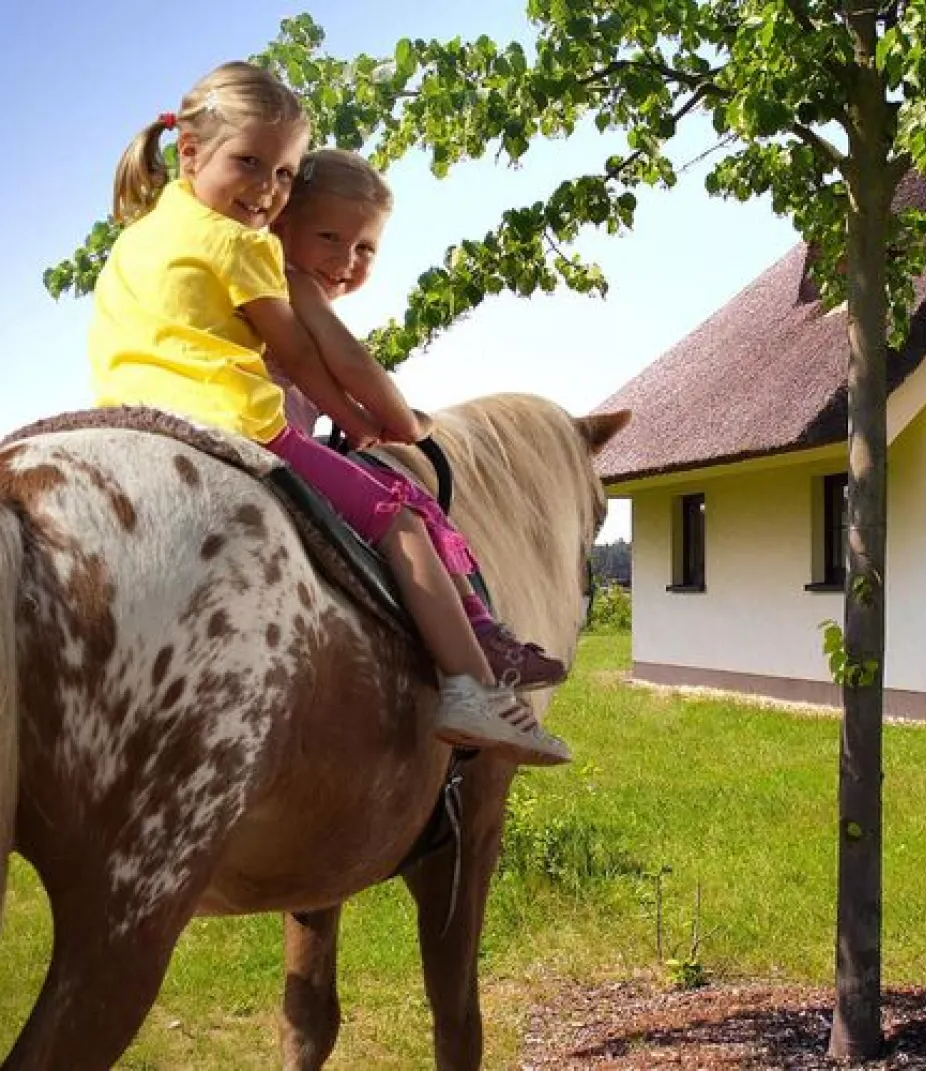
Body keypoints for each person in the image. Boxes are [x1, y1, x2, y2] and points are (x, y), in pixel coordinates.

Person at [87, 61, 569, 766]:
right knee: (400, 515)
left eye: (281, 176)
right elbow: (311, 362)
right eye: (250, 163)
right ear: (189, 151)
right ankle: (471, 684)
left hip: (124, 420)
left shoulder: (143, 230)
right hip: (231, 421)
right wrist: (386, 423)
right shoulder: (244, 244)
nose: (264, 190)